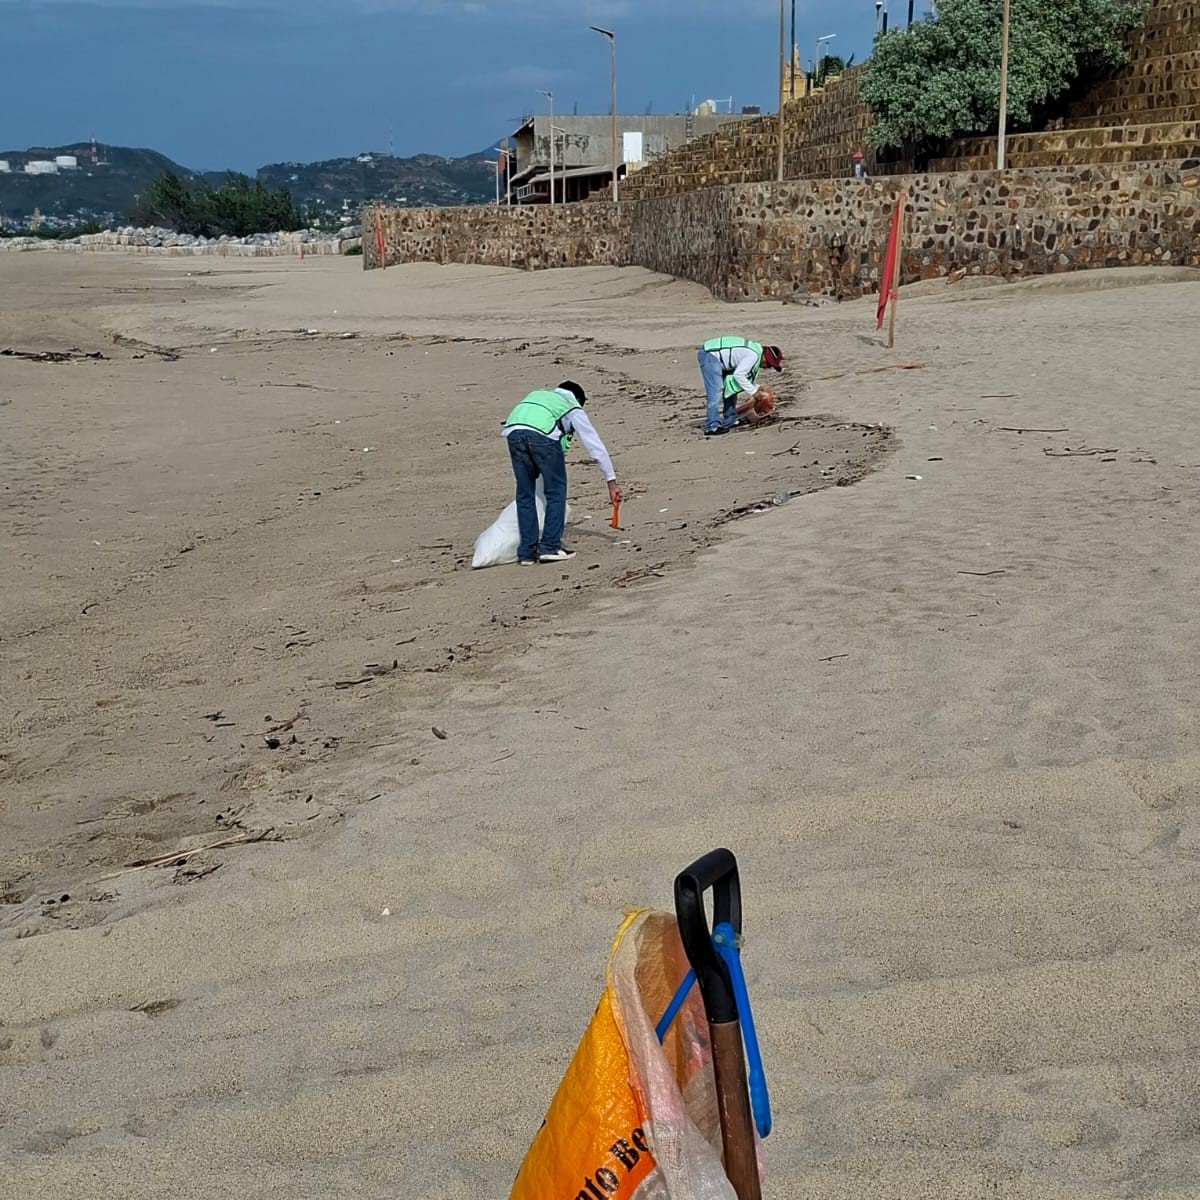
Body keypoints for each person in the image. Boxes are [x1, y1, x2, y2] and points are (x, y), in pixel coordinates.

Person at [502, 381, 623, 565]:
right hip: (542, 436)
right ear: (579, 399)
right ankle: (550, 547)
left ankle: (526, 552)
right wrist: (611, 481)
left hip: (513, 432)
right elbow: (594, 445)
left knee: (524, 494)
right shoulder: (572, 406)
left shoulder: (538, 394)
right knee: (556, 491)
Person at [697, 338, 784, 436]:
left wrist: (757, 387)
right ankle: (712, 426)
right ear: (765, 357)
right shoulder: (753, 356)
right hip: (710, 355)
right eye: (769, 363)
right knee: (715, 390)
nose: (768, 367)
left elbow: (741, 378)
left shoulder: (755, 353)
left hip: (721, 360)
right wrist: (754, 392)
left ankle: (730, 419)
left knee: (731, 387)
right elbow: (739, 375)